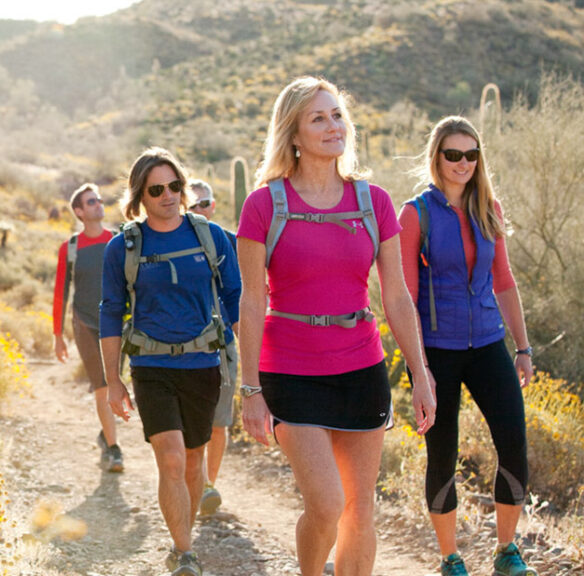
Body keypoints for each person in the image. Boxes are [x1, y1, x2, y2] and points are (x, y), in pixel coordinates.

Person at [235, 77, 436, 576]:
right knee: (326, 504)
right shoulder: (263, 205)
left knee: (360, 511)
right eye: (318, 118)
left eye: (338, 115)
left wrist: (421, 372)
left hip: (360, 370)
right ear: (294, 135)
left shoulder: (374, 203)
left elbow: (396, 296)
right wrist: (250, 390)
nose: (333, 126)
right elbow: (253, 299)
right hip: (291, 371)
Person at [399, 116, 536, 576]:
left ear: (480, 159)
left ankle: (506, 551)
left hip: (488, 345)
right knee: (443, 453)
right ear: (436, 157)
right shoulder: (415, 213)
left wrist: (523, 347)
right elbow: (407, 298)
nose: (462, 163)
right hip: (438, 351)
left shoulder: (487, 207)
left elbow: (504, 281)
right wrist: (419, 369)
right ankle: (449, 557)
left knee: (514, 445)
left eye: (471, 154)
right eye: (453, 154)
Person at [100, 147, 241, 576]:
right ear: (140, 195)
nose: (167, 195)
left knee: (195, 459)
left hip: (203, 365)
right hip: (152, 369)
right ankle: (184, 551)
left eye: (174, 186)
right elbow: (110, 311)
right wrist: (113, 381)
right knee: (172, 458)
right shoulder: (122, 247)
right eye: (155, 189)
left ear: (183, 186)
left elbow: (236, 300)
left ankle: (185, 537)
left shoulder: (211, 237)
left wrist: (249, 367)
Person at [52, 183, 123, 473]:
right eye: (91, 202)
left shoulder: (117, 242)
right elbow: (60, 293)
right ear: (79, 211)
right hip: (84, 323)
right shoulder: (69, 249)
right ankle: (115, 449)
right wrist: (58, 336)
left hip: (117, 323)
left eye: (99, 200)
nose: (98, 205)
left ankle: (106, 436)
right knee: (102, 386)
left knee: (115, 381)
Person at [186, 178, 239, 516]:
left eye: (205, 204)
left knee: (219, 422)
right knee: (193, 425)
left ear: (213, 206)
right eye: (193, 206)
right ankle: (193, 484)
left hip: (224, 344)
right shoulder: (175, 245)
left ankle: (208, 486)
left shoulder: (231, 242)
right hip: (184, 345)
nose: (200, 210)